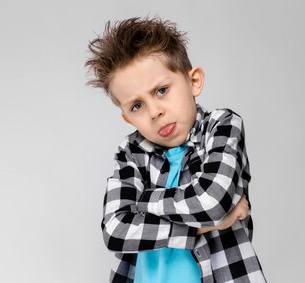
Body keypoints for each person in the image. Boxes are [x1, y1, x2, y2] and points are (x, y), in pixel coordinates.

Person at [85, 16, 266, 283]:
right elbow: (115, 230)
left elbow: (211, 200)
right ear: (127, 118)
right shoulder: (131, 153)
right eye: (137, 106)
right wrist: (206, 227)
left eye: (161, 90)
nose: (155, 112)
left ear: (194, 82)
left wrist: (142, 202)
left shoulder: (221, 126)